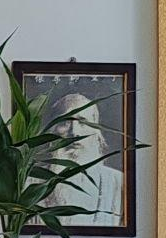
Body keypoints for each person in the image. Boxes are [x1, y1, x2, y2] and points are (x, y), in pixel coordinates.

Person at [48, 87, 125, 228]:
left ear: (97, 132)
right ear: (52, 131)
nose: (75, 132)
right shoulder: (32, 184)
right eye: (65, 123)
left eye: (83, 122)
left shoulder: (118, 183)